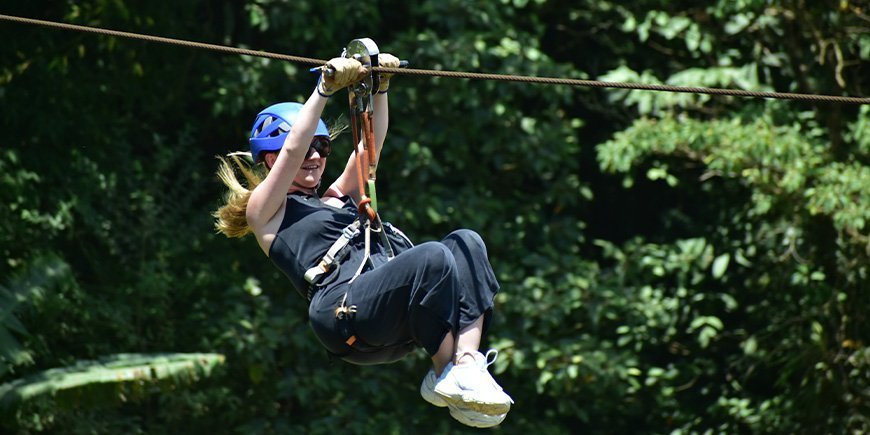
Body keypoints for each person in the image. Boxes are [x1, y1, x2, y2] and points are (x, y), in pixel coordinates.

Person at [213, 53, 513, 428]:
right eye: (307, 147)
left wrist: (380, 84)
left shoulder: (337, 197)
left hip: (392, 317)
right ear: (269, 158)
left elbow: (370, 147)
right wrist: (324, 89)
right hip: (343, 315)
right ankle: (444, 374)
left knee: (467, 244)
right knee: (433, 256)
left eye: (322, 148)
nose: (314, 156)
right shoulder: (267, 213)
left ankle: (465, 365)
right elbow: (294, 148)